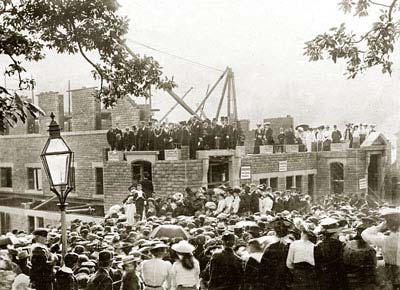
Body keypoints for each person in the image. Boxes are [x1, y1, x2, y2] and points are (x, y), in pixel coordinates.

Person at [361, 208, 400, 290]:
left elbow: (364, 234)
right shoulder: (384, 239)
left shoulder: (384, 240)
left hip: (391, 271)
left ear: (388, 226)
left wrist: (381, 226)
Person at [314, 217, 348, 290]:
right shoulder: (341, 245)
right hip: (338, 276)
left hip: (324, 276)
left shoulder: (318, 245)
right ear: (335, 232)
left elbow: (317, 264)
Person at [259, 217, 292, 290]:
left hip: (280, 274)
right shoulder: (268, 242)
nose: (280, 229)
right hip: (274, 274)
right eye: (278, 228)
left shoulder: (290, 243)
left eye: (282, 228)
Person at [343, 222, 377, 290]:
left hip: (350, 278)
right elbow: (373, 265)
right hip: (364, 280)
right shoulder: (370, 249)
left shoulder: (348, 244)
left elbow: (345, 261)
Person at [286, 223, 317, 290]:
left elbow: (289, 262)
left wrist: (293, 269)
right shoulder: (314, 246)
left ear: (302, 233)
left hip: (298, 270)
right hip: (310, 271)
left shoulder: (294, 244)